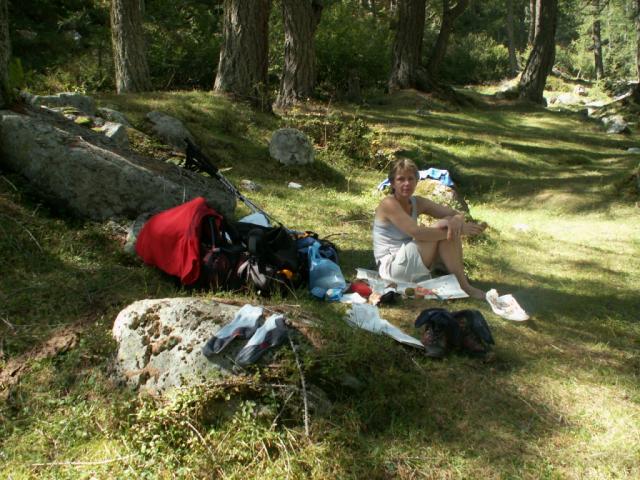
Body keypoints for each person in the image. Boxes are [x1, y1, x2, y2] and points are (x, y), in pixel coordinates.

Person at [372, 158, 486, 299]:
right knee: (444, 226)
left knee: (449, 223)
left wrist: (457, 221)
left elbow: (455, 213)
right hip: (391, 267)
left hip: (406, 258)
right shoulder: (389, 203)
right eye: (401, 179)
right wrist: (459, 230)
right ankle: (464, 286)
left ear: (416, 181)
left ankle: (462, 283)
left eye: (411, 179)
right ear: (393, 183)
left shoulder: (417, 202)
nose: (406, 183)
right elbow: (417, 232)